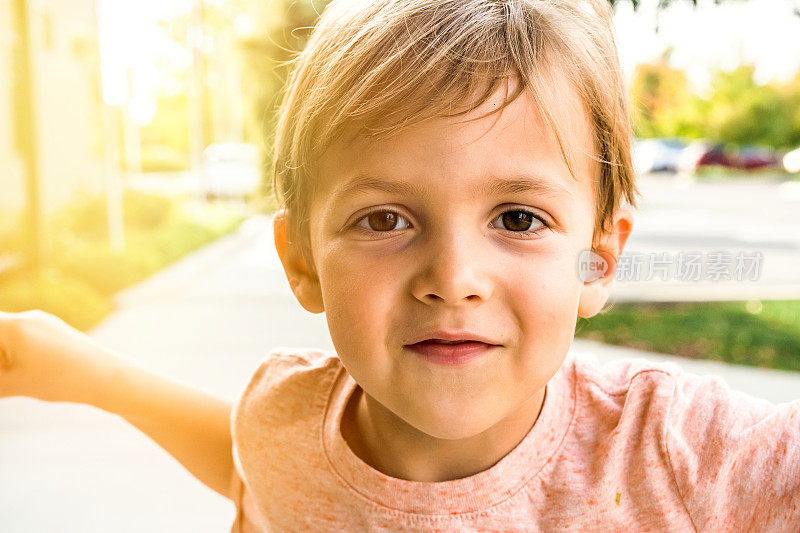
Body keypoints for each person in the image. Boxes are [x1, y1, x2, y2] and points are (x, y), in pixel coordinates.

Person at [1, 0, 798, 530]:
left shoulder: (682, 451)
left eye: (517, 218)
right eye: (384, 219)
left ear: (596, 260)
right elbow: (261, 463)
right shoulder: (290, 419)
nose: (452, 277)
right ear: (302, 263)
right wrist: (83, 373)